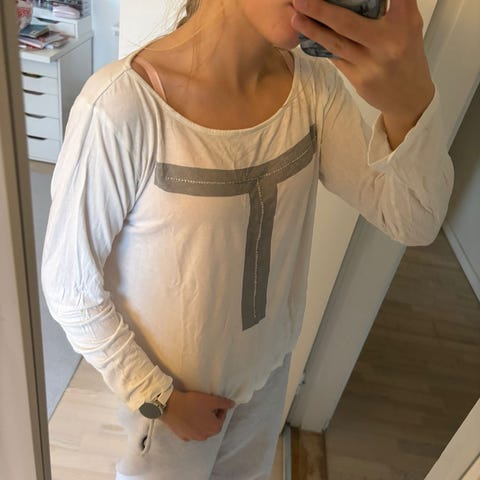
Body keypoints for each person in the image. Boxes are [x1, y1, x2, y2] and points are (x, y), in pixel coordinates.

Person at [41, 0, 454, 478]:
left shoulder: (313, 88)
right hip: (170, 407)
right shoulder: (121, 108)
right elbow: (69, 288)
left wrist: (410, 103)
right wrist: (158, 398)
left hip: (266, 380)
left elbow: (413, 220)